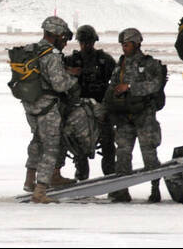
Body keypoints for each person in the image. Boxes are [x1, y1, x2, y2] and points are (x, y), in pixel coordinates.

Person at [16, 16, 78, 204]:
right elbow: (59, 85)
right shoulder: (51, 55)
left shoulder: (31, 50)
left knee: (37, 140)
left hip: (30, 105)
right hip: (47, 107)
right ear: (56, 34)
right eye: (63, 37)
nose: (65, 41)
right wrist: (72, 78)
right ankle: (41, 190)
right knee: (51, 146)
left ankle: (29, 180)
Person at [106, 28, 166, 203]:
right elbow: (113, 86)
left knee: (149, 154)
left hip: (144, 116)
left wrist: (130, 87)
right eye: (122, 45)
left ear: (136, 43)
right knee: (123, 154)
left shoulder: (149, 63)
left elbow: (155, 85)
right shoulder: (121, 65)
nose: (124, 48)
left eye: (127, 44)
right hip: (125, 117)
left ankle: (155, 190)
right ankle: (121, 190)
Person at [64, 25, 116, 180]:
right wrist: (69, 72)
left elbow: (116, 79)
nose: (86, 45)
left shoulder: (104, 60)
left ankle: (110, 174)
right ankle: (81, 171)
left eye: (89, 42)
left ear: (94, 41)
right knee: (78, 141)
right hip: (79, 109)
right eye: (83, 42)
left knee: (107, 139)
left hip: (101, 107)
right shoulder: (72, 60)